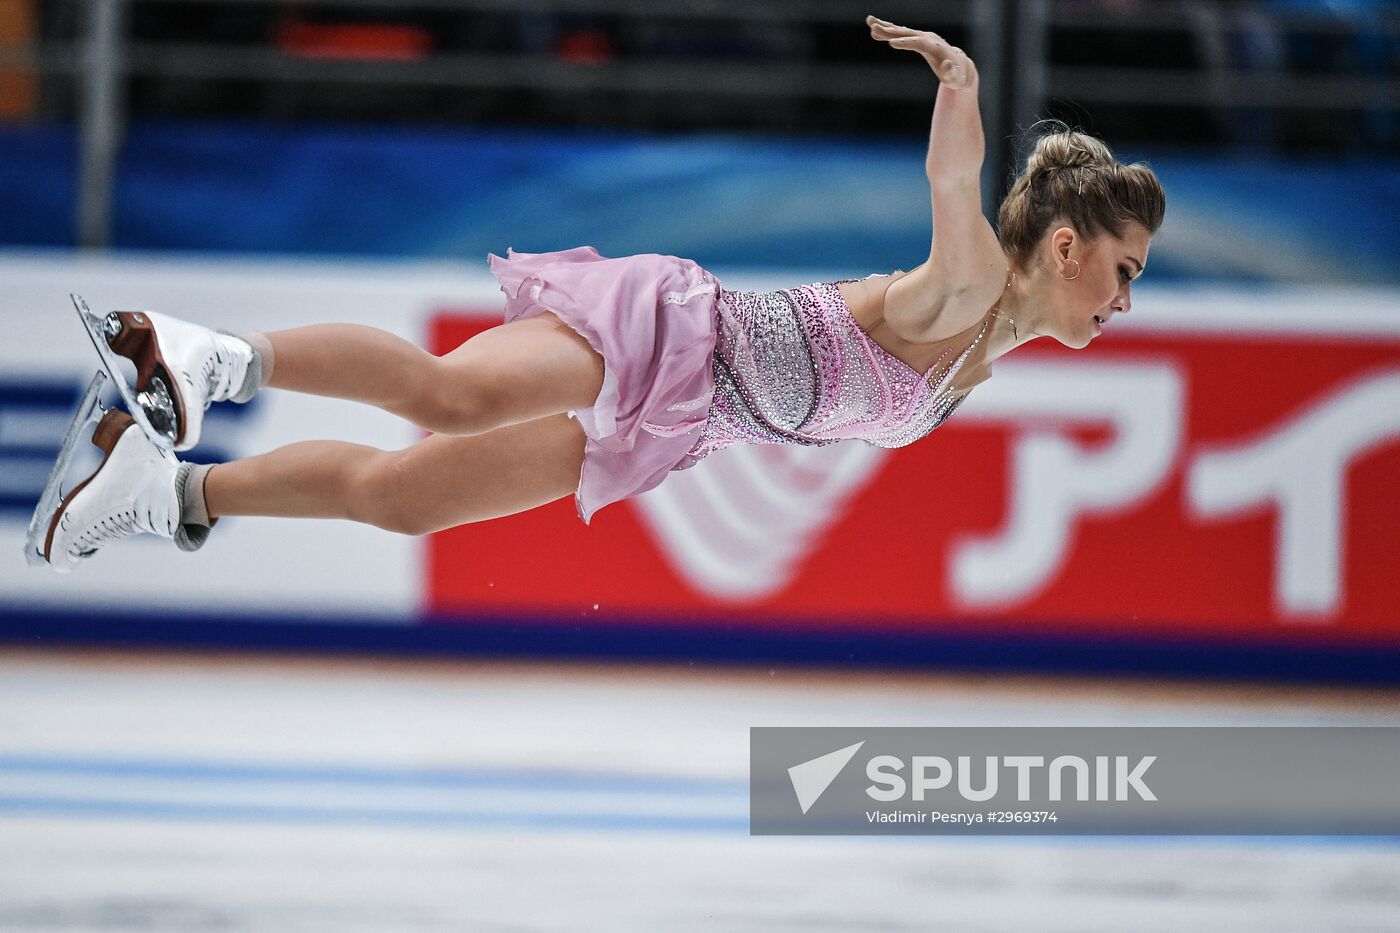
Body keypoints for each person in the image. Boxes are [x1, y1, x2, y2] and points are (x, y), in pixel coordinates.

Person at [36, 15, 1166, 573]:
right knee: (448, 396)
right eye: (1123, 270)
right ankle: (198, 357)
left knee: (404, 501)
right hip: (675, 337)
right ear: (1065, 246)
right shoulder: (972, 288)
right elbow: (951, 183)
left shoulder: (984, 356)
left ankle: (165, 492)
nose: (1124, 301)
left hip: (677, 422)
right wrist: (960, 85)